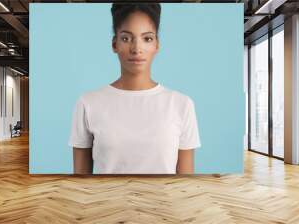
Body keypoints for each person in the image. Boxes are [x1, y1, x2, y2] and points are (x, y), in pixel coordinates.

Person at [68, 3, 201, 174]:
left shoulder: (181, 104)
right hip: (106, 200)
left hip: (163, 201)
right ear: (114, 44)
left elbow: (185, 184)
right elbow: (80, 181)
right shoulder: (88, 103)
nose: (137, 49)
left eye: (147, 38)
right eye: (126, 38)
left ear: (157, 45)